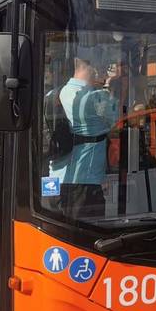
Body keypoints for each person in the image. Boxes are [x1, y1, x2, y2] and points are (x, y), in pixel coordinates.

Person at [58, 51, 117, 220]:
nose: (103, 71)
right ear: (90, 68)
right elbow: (118, 124)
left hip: (65, 175)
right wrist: (110, 88)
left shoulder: (60, 93)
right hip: (89, 179)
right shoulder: (95, 97)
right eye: (101, 66)